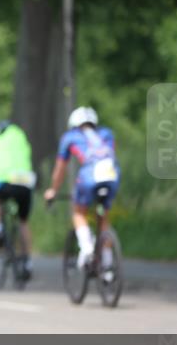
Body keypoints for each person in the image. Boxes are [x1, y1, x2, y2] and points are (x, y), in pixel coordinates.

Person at [43, 106, 120, 272]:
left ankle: (86, 249)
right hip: (111, 175)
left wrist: (53, 190)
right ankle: (107, 263)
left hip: (90, 176)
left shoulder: (70, 137)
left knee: (78, 212)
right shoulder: (107, 133)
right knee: (103, 219)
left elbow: (60, 169)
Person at [0, 119, 36, 279]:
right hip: (26, 181)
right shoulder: (20, 137)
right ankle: (27, 261)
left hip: (5, 181)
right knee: (23, 222)